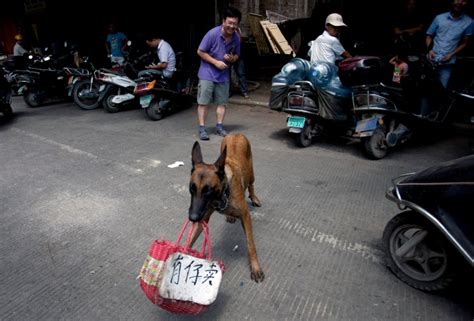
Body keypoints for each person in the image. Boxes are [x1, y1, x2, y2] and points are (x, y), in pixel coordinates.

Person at [196, 7, 242, 140]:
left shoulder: (236, 38)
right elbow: (200, 51)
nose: (232, 26)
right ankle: (202, 128)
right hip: (207, 73)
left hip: (223, 75)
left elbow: (237, 55)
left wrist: (232, 58)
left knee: (222, 103)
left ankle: (219, 127)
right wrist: (215, 62)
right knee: (203, 102)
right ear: (223, 21)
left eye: (235, 23)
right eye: (229, 22)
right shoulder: (212, 34)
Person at [426, 0, 474, 89]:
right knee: (426, 89)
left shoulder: (469, 22)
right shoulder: (439, 18)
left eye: (463, 0)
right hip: (430, 61)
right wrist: (430, 50)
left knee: (441, 91)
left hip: (447, 64)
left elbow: (465, 43)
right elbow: (429, 35)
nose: (459, 2)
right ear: (451, 2)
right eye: (457, 0)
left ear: (466, 3)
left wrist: (451, 54)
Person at [230, 27, 249, 98]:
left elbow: (241, 46)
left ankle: (244, 91)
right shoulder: (228, 35)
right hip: (229, 57)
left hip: (239, 58)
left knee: (241, 74)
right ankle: (228, 91)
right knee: (227, 75)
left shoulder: (238, 34)